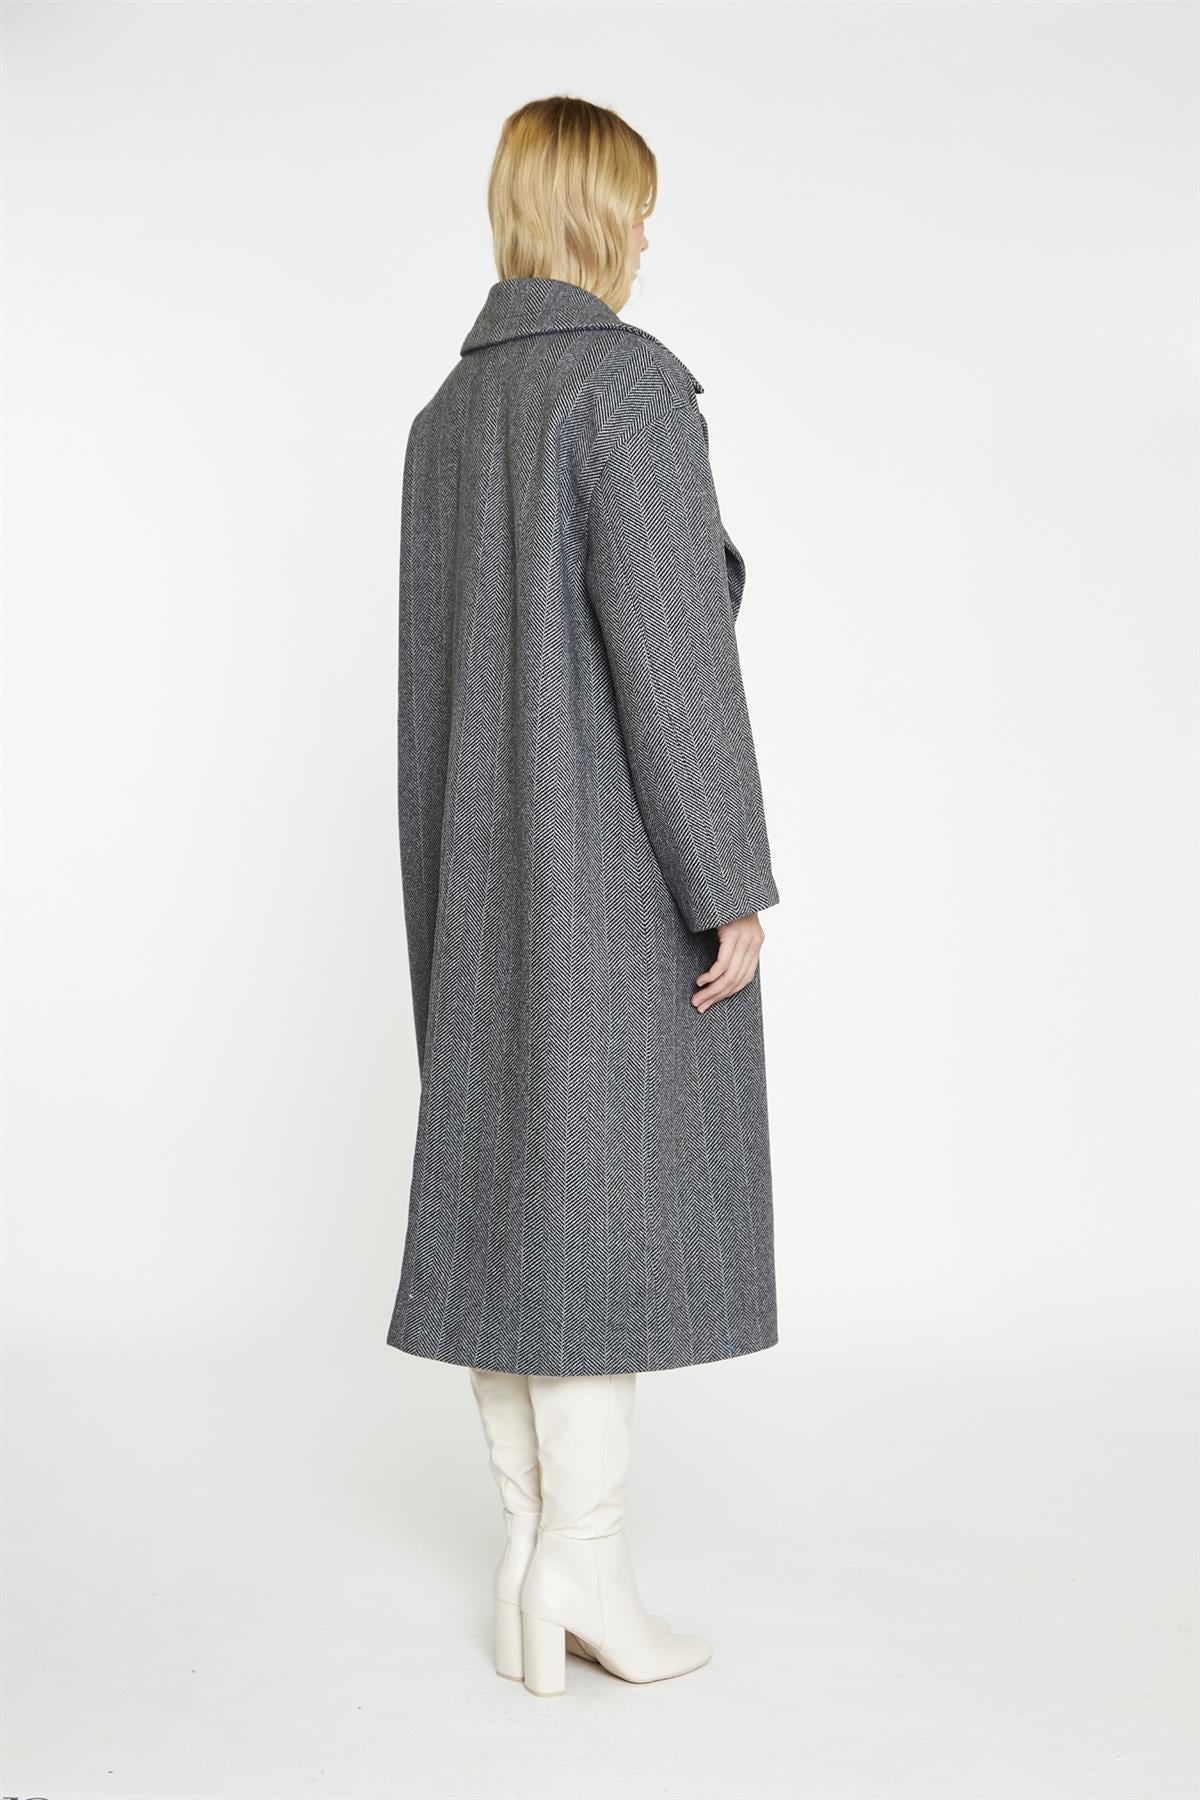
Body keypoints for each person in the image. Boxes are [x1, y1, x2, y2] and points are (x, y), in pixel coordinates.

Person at [386, 94, 781, 1698]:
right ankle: (588, 1571)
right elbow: (675, 663)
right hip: (607, 872)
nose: (649, 237)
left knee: (509, 1199)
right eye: (640, 208)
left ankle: (527, 1561)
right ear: (605, 218)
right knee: (599, 1218)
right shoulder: (624, 390)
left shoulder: (446, 417)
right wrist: (727, 880)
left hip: (475, 871)